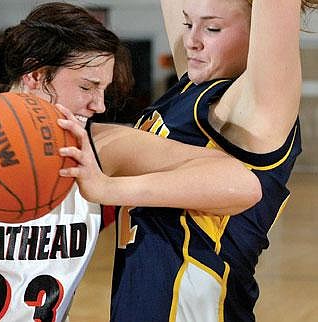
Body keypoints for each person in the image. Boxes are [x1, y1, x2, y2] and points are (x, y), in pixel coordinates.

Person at [0, 2, 260, 321]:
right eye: (87, 86)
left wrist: (108, 188)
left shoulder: (96, 146)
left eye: (103, 90)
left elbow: (243, 184)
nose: (98, 104)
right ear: (35, 75)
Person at [108, 0, 318, 321]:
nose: (191, 39)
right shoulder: (191, 90)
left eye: (213, 28)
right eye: (188, 23)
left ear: (257, 34)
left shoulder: (253, 114)